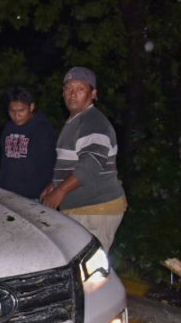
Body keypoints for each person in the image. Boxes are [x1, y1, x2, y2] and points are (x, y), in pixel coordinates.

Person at [40, 67, 127, 250]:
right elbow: (72, 162)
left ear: (93, 94)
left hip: (95, 208)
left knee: (89, 270)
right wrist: (54, 185)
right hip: (83, 209)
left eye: (80, 89)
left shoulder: (93, 121)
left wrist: (60, 191)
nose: (73, 94)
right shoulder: (76, 121)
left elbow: (90, 165)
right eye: (69, 88)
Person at [0, 86, 57, 199]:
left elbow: (51, 163)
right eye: (12, 111)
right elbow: (4, 162)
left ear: (31, 107)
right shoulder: (8, 128)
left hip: (34, 197)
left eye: (21, 111)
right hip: (7, 194)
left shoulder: (42, 130)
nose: (16, 116)